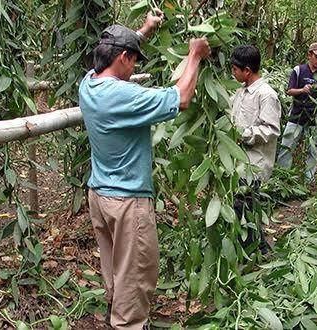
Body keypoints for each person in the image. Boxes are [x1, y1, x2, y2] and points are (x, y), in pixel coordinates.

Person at [78, 11, 211, 330]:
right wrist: (194, 55)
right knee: (136, 275)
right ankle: (128, 324)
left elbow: (119, 51)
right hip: (127, 203)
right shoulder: (121, 95)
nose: (135, 67)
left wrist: (144, 31)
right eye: (134, 60)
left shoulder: (89, 83)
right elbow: (180, 98)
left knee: (116, 271)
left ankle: (117, 315)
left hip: (100, 195)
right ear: (123, 57)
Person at [230, 45, 281, 254]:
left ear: (247, 71)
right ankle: (250, 248)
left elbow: (271, 129)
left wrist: (242, 134)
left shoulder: (266, 95)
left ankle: (260, 250)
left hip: (254, 163)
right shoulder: (241, 92)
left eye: (235, 69)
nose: (232, 73)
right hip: (238, 160)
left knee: (247, 208)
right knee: (241, 207)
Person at [276, 42, 317, 182]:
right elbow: (289, 91)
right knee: (287, 147)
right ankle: (282, 178)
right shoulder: (298, 70)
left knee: (312, 151)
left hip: (314, 119)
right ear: (309, 55)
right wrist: (302, 90)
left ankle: (309, 180)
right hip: (296, 116)